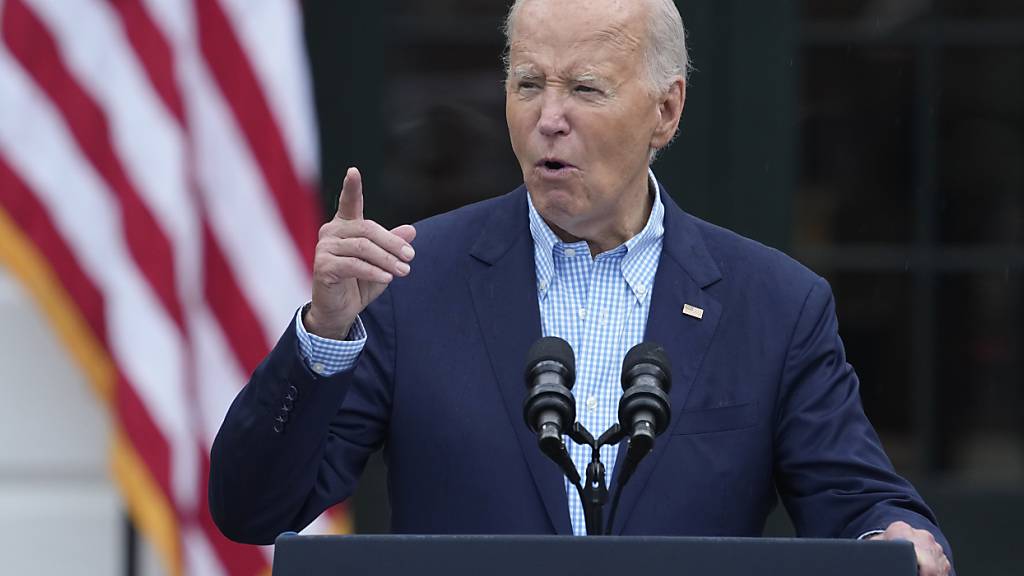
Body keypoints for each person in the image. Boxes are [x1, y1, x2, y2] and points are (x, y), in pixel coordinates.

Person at [209, 1, 953, 574]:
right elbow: (253, 508)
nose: (548, 119)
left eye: (585, 89)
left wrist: (895, 542)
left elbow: (860, 504)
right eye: (528, 84)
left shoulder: (775, 305)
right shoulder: (410, 280)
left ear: (666, 110)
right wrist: (325, 334)